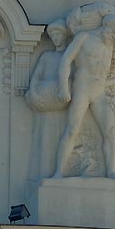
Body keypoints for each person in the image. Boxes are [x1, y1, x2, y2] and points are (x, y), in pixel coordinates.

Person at [52, 4, 115, 180]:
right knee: (72, 129)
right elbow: (66, 60)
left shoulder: (111, 44)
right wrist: (63, 87)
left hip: (99, 94)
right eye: (112, 32)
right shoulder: (84, 38)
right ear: (105, 26)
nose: (113, 36)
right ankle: (58, 172)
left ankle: (111, 171)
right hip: (82, 90)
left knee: (110, 131)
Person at [26, 20, 69, 180]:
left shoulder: (69, 57)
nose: (55, 38)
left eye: (58, 35)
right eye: (53, 36)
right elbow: (36, 77)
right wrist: (34, 92)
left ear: (65, 35)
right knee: (45, 141)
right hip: (45, 104)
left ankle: (61, 171)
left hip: (61, 105)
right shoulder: (46, 56)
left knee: (62, 139)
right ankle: (44, 174)